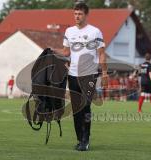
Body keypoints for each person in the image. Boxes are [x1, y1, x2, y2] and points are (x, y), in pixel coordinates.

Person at [53, 3, 108, 151]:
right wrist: (51, 50)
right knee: (76, 109)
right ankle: (79, 139)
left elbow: (102, 53)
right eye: (75, 14)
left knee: (85, 107)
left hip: (89, 75)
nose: (77, 16)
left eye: (80, 14)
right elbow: (66, 52)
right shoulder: (69, 31)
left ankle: (85, 139)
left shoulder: (95, 32)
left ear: (86, 15)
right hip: (72, 75)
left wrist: (104, 73)